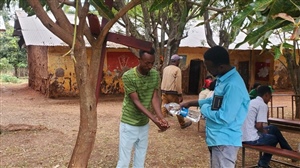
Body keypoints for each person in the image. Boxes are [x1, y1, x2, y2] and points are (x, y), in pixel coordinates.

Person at [180, 46, 250, 168]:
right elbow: (212, 101)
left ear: (221, 66)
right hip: (217, 137)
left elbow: (224, 117)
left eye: (208, 67)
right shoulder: (222, 79)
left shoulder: (233, 85)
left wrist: (203, 109)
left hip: (225, 140)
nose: (207, 70)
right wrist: (191, 103)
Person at [117, 48, 170, 168]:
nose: (150, 66)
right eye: (147, 63)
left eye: (152, 63)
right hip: (129, 123)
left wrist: (161, 117)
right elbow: (136, 101)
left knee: (140, 160)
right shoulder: (128, 76)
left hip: (143, 124)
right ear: (139, 60)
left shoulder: (155, 74)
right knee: (124, 161)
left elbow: (154, 97)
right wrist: (154, 119)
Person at [242, 85, 296, 168]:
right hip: (251, 138)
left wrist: (263, 130)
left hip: (242, 136)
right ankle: (263, 163)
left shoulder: (251, 102)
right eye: (270, 97)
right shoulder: (262, 105)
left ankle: (290, 151)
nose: (270, 100)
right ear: (266, 95)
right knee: (274, 138)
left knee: (273, 128)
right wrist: (263, 131)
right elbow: (259, 125)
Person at [161, 54, 192, 129]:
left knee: (163, 107)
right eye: (179, 60)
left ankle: (161, 122)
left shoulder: (165, 68)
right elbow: (178, 84)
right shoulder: (177, 70)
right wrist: (180, 94)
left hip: (164, 91)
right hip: (173, 92)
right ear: (177, 61)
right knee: (178, 108)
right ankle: (182, 124)